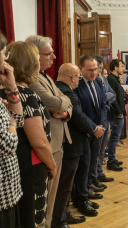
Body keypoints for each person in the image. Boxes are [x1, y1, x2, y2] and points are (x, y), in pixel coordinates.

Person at [5, 41, 56, 228]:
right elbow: (39, 142)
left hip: (15, 164)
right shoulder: (25, 95)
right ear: (28, 64)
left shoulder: (6, 92)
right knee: (32, 217)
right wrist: (52, 165)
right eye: (36, 58)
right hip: (30, 164)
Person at [26, 35, 73, 228]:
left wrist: (65, 109)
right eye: (48, 54)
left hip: (57, 141)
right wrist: (63, 103)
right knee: (44, 198)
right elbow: (56, 102)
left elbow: (66, 99)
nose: (53, 57)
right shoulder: (33, 80)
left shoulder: (46, 76)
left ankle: (53, 223)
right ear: (35, 56)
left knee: (53, 196)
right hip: (46, 145)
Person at [52, 64, 90, 227]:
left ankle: (64, 215)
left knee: (66, 184)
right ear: (73, 77)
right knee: (64, 186)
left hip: (69, 143)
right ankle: (60, 220)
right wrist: (93, 129)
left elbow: (70, 110)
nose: (79, 81)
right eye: (78, 77)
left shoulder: (58, 87)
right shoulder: (65, 91)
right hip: (69, 144)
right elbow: (77, 116)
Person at [73, 55, 107, 217]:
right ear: (80, 69)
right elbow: (78, 112)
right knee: (83, 166)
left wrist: (101, 125)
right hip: (84, 131)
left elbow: (102, 104)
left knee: (92, 162)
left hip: (98, 130)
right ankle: (81, 198)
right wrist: (93, 128)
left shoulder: (99, 81)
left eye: (96, 69)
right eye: (90, 70)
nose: (94, 73)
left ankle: (86, 191)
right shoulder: (76, 85)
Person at [0, 33, 24, 228]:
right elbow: (8, 144)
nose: (6, 59)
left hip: (8, 187)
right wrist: (11, 124)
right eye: (4, 53)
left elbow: (19, 120)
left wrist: (11, 88)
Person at [92, 54, 116, 185]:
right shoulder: (92, 79)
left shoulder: (103, 79)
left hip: (106, 116)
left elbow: (113, 94)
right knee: (96, 149)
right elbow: (98, 97)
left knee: (102, 148)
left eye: (101, 68)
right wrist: (104, 97)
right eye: (98, 68)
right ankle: (93, 176)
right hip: (97, 119)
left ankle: (100, 172)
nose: (100, 71)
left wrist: (103, 97)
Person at [107, 59, 126, 171]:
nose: (123, 69)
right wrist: (119, 111)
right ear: (115, 67)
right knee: (114, 137)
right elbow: (112, 98)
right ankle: (111, 161)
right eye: (121, 66)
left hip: (119, 111)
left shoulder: (115, 79)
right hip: (116, 113)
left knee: (116, 137)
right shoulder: (111, 79)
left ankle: (112, 159)